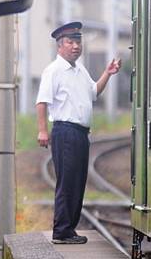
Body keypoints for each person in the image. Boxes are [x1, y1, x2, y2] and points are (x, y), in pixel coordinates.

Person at [35, 21, 121, 244]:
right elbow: (42, 102)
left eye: (78, 42)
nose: (76, 46)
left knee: (78, 181)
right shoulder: (53, 71)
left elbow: (94, 93)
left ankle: (69, 228)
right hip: (64, 131)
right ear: (60, 46)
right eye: (71, 42)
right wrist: (43, 131)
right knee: (67, 181)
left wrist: (107, 74)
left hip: (81, 133)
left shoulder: (80, 69)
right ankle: (61, 231)